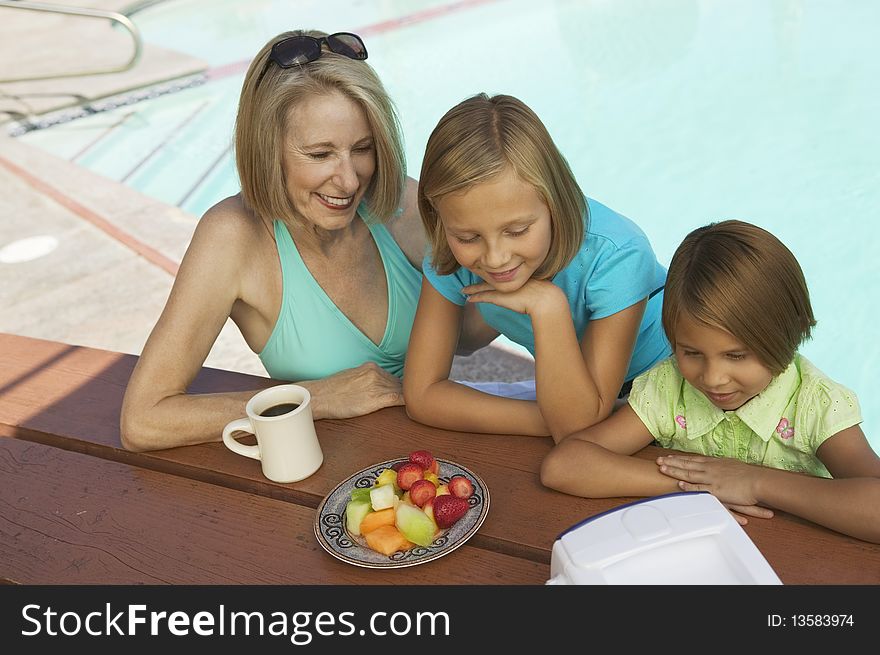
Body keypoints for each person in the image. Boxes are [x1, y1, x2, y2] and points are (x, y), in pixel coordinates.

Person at [120, 30, 494, 451]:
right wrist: (315, 398)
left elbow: (464, 336)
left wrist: (522, 282)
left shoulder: (398, 202)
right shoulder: (233, 236)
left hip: (440, 460)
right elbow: (144, 420)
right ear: (267, 149)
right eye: (320, 154)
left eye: (363, 148)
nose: (350, 180)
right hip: (328, 481)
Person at [541, 220, 880, 543]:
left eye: (736, 356)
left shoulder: (814, 404)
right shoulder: (670, 389)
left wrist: (756, 482)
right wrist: (698, 487)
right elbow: (564, 466)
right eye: (692, 353)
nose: (713, 379)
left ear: (787, 335)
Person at [403, 93, 670, 441]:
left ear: (554, 201)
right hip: (585, 405)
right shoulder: (450, 255)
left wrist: (548, 307)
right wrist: (549, 416)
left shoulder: (617, 255)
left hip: (680, 386)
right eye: (468, 237)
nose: (496, 258)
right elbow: (422, 396)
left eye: (517, 231)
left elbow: (579, 424)